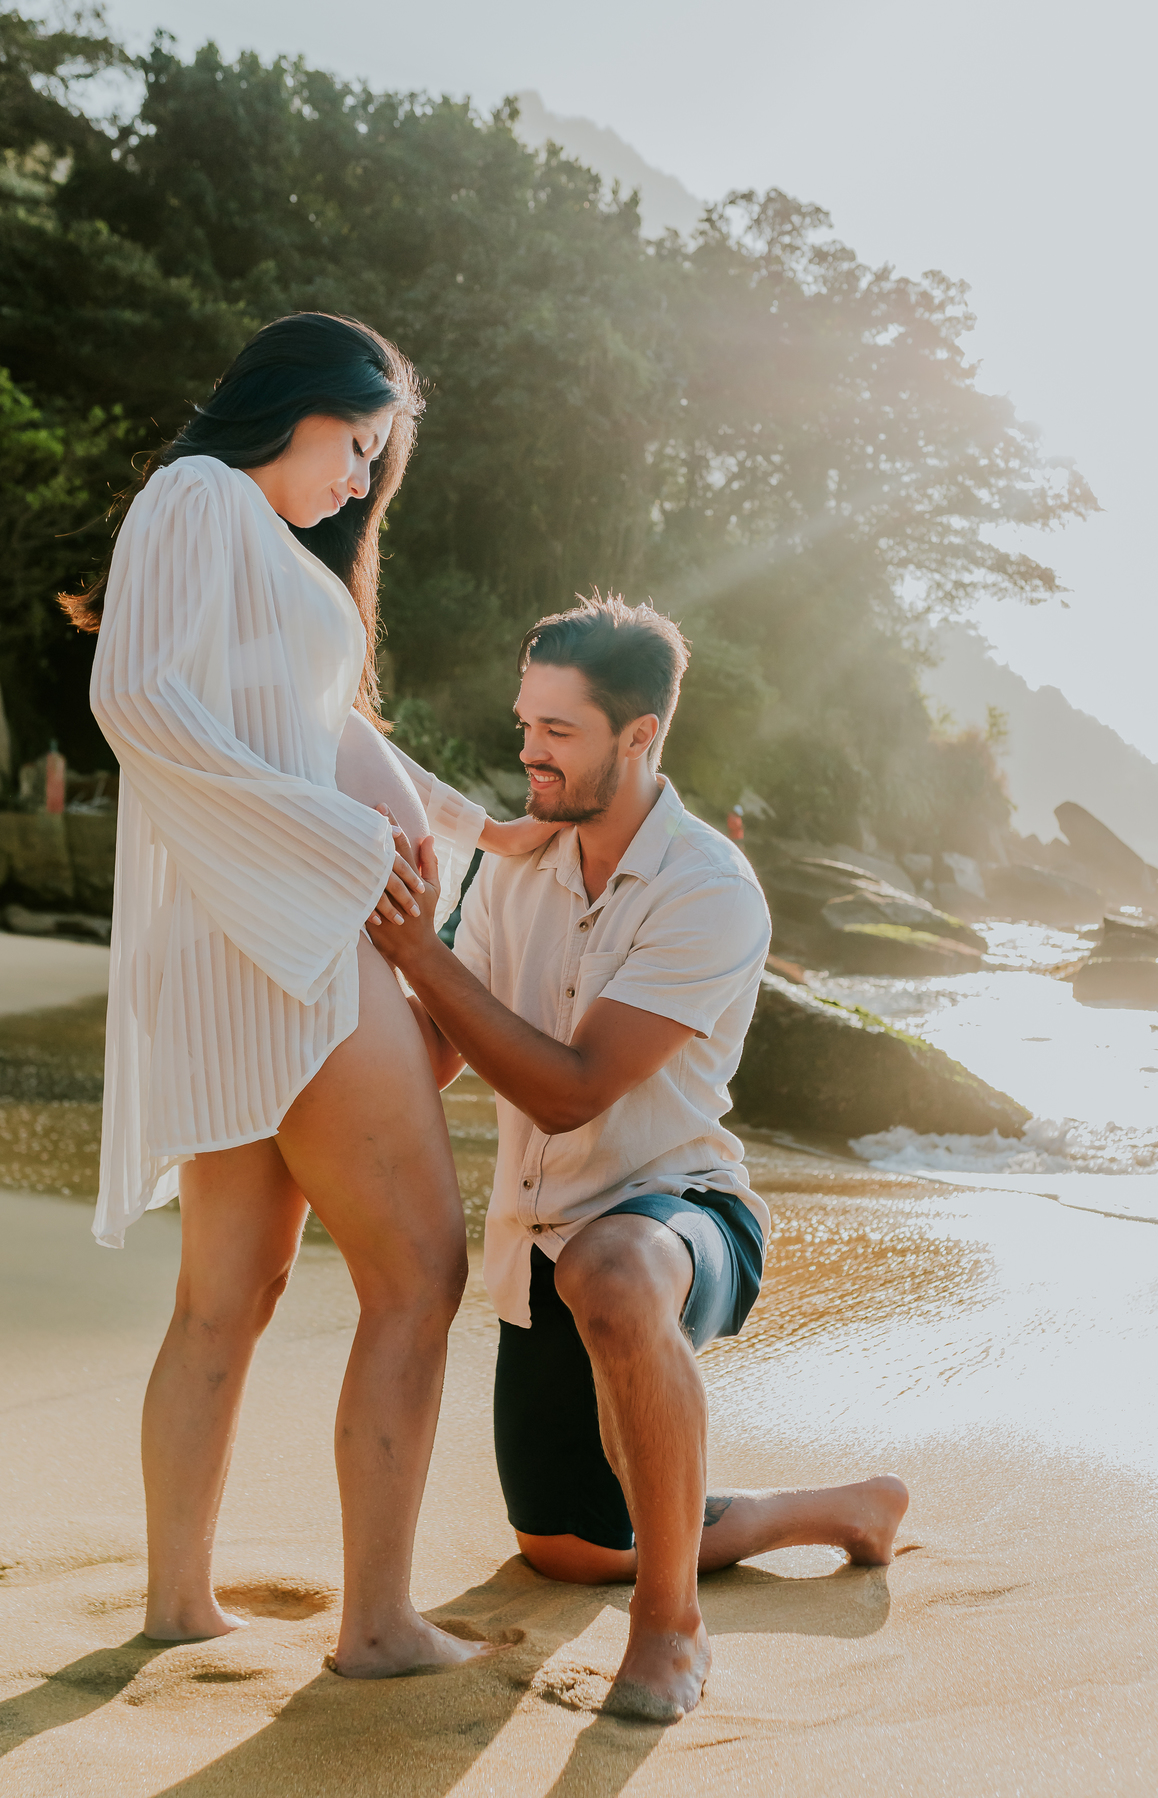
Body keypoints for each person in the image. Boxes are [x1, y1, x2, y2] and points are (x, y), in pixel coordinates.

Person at [63, 312, 550, 1676]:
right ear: (291, 402)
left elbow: (316, 725)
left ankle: (177, 1603)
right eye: (355, 442)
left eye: (377, 459)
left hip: (261, 946)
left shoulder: (262, 549)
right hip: (289, 944)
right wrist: (351, 850)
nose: (358, 478)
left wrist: (464, 822)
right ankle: (380, 1625)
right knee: (418, 1271)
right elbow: (137, 701)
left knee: (234, 1289)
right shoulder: (196, 494)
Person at [366, 594, 910, 1722]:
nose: (528, 752)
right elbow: (443, 1040)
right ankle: (843, 1508)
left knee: (612, 1274)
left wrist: (421, 951)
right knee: (563, 1545)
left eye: (558, 732)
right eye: (526, 723)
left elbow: (568, 1088)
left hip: (684, 1216)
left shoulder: (708, 888)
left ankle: (671, 1630)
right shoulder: (518, 865)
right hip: (543, 1235)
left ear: (640, 735)